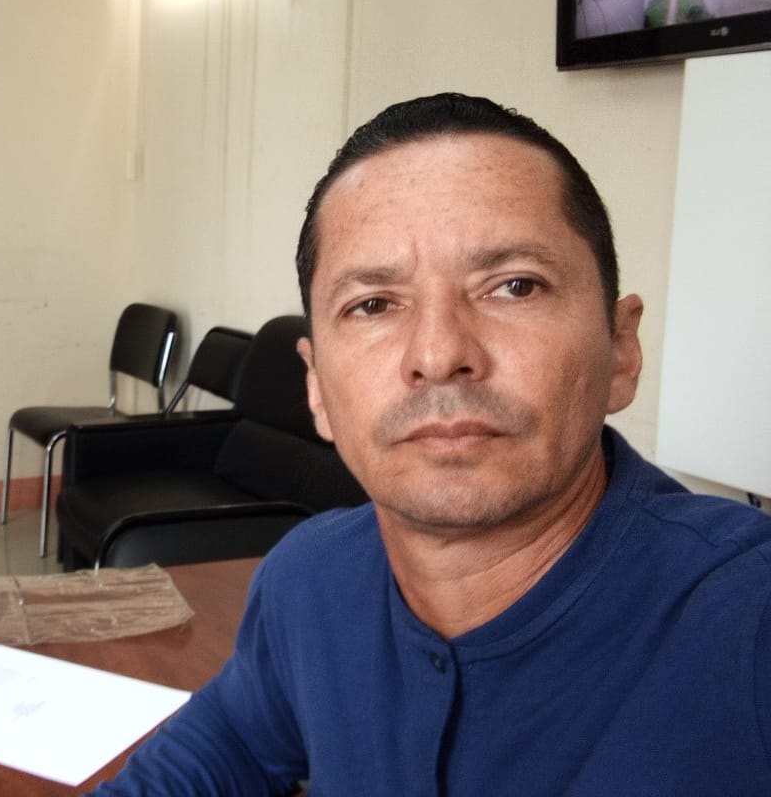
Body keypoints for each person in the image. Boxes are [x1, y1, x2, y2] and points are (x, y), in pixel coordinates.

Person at [93, 93, 771, 795]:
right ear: (317, 387)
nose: (439, 354)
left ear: (620, 350)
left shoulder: (747, 628)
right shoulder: (309, 581)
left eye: (514, 286)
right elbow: (224, 746)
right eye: (373, 304)